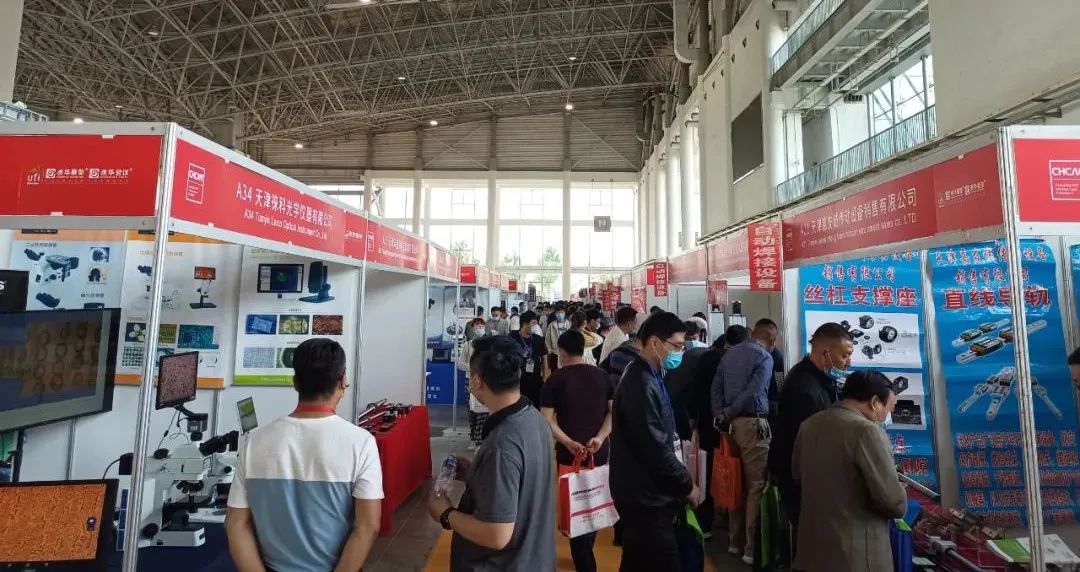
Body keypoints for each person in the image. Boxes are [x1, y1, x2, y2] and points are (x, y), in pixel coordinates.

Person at [226, 338, 382, 572]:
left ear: (295, 382)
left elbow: (236, 524)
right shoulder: (361, 443)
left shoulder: (255, 441)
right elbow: (368, 526)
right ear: (342, 381)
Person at [428, 335, 556, 571]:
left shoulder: (502, 444)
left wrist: (446, 513)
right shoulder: (534, 418)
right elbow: (520, 483)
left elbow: (496, 534)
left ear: (476, 381)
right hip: (533, 558)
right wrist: (475, 473)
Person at [792, 370, 905, 572]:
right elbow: (893, 502)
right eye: (889, 407)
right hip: (856, 556)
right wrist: (899, 489)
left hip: (812, 552)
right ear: (874, 402)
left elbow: (797, 475)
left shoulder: (809, 425)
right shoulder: (867, 431)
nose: (887, 414)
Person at [610, 312, 696, 571]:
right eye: (677, 346)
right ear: (655, 342)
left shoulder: (649, 374)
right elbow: (654, 448)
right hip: (645, 497)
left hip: (644, 491)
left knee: (637, 560)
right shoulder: (640, 383)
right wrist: (686, 485)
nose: (680, 352)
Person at [767, 322, 854, 530]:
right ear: (825, 353)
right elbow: (799, 443)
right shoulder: (804, 388)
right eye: (844, 355)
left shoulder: (818, 379)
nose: (848, 362)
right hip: (804, 480)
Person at [540, 330, 614, 572]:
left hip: (569, 457)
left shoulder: (555, 380)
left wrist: (568, 442)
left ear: (561, 352)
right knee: (593, 503)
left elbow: (546, 419)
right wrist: (600, 437)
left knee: (575, 508)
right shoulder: (603, 376)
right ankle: (585, 553)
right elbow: (613, 412)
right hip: (598, 452)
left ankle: (585, 562)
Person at [711, 322, 777, 563]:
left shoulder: (729, 354)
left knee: (734, 481)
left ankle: (734, 542)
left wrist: (721, 413)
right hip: (753, 424)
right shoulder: (764, 358)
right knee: (755, 485)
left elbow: (716, 387)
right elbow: (754, 391)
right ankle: (751, 549)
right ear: (772, 338)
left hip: (729, 427)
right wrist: (729, 411)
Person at [689, 325, 748, 537]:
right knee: (733, 471)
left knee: (706, 471)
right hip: (732, 424)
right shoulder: (741, 361)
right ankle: (731, 523)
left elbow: (696, 389)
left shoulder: (707, 358)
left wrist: (694, 419)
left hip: (707, 422)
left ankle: (706, 523)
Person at [457, 318, 489, 450]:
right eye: (477, 326)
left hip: (485, 381)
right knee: (471, 410)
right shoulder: (468, 345)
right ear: (472, 328)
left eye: (482, 325)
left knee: (483, 411)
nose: (479, 328)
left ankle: (479, 440)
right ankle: (473, 437)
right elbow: (460, 364)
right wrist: (473, 368)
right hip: (470, 381)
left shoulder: (489, 344)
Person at [514, 310, 549, 407]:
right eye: (533, 323)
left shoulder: (538, 339)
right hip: (519, 380)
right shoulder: (513, 338)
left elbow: (544, 357)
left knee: (536, 404)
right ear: (524, 324)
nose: (536, 326)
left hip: (535, 378)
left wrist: (545, 377)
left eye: (536, 324)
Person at [544, 303, 571, 372]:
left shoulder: (570, 325)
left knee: (566, 372)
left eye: (561, 312)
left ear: (565, 313)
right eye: (558, 312)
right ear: (555, 314)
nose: (559, 314)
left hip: (567, 353)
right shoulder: (551, 325)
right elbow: (547, 339)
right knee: (555, 372)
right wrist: (549, 350)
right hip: (555, 353)